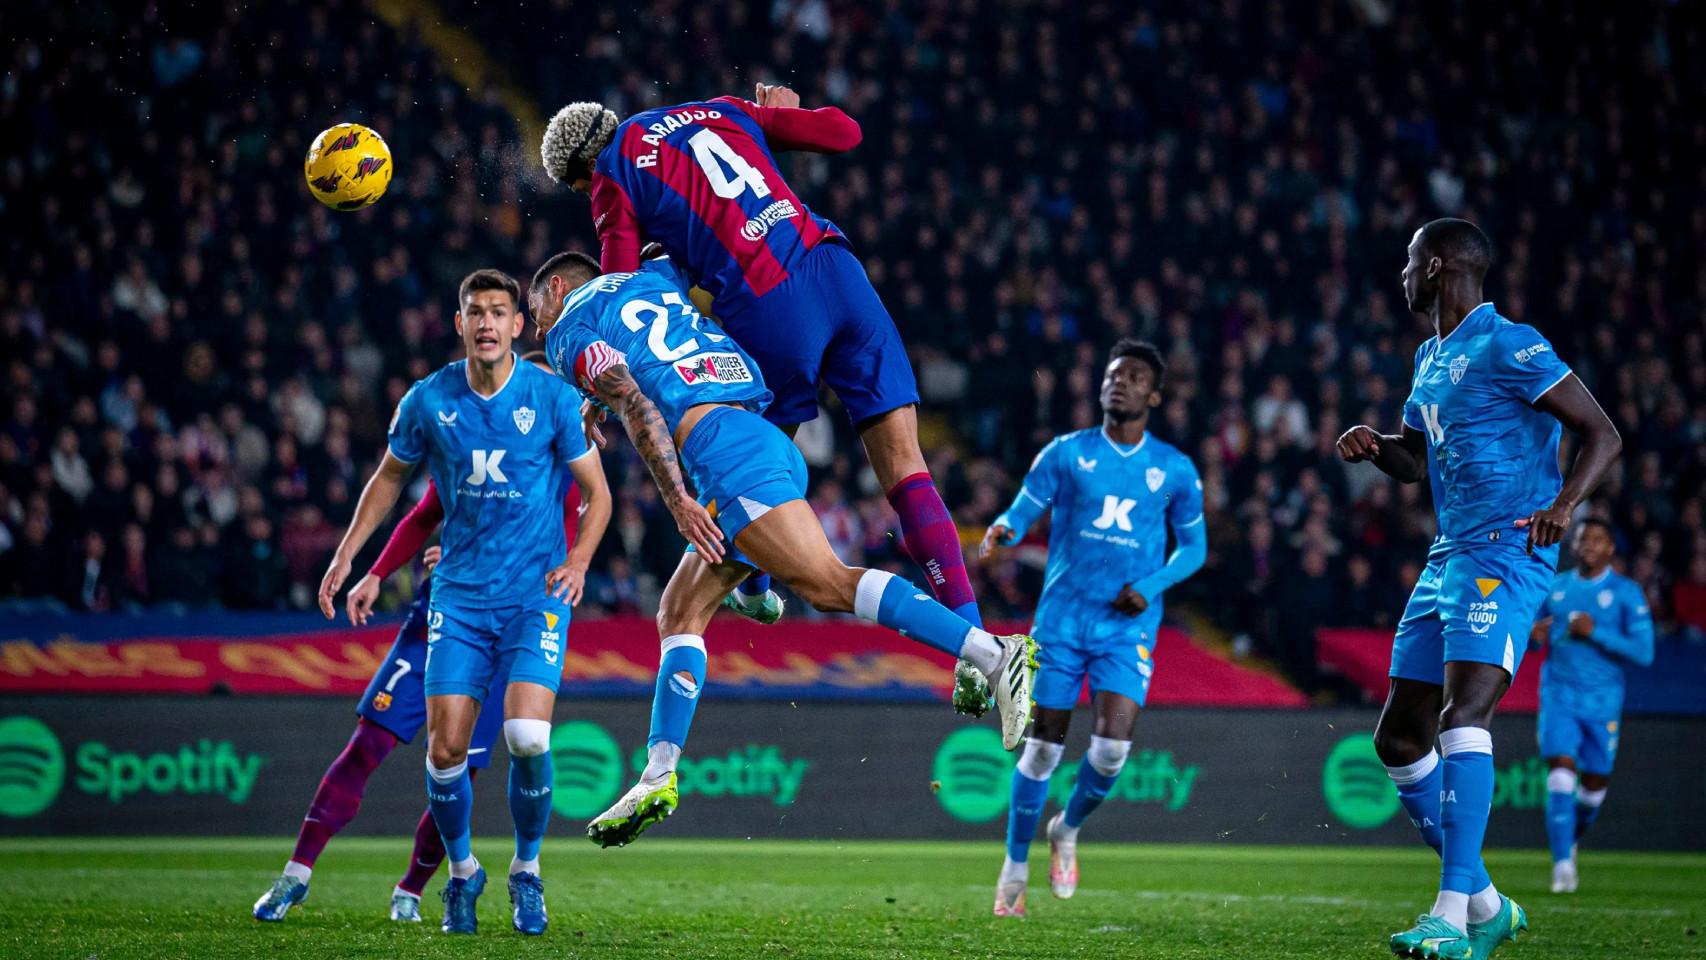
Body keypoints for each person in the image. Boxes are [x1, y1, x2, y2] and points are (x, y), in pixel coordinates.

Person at [527, 250, 1036, 848]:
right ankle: (658, 775)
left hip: (723, 454)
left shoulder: (566, 333)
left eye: (535, 311)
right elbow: (673, 269)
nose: (538, 326)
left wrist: (676, 499)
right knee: (679, 611)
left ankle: (995, 654)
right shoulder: (651, 280)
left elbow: (637, 404)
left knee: (827, 584)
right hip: (763, 432)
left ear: (556, 289)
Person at [538, 84, 987, 684]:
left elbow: (620, 288)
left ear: (582, 170)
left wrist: (596, 392)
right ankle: (977, 645)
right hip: (835, 269)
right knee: (906, 465)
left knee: (746, 454)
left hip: (770, 300)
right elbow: (845, 133)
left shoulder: (612, 172)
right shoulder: (721, 109)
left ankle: (758, 584)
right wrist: (786, 115)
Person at [1337, 218, 1621, 960]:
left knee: (1464, 715)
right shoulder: (1430, 355)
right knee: (1398, 737)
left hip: (1506, 549)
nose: (1401, 273)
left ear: (1435, 267)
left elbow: (1603, 433)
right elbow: (1413, 461)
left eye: (1407, 261)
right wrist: (1378, 447)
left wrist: (1564, 507)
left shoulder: (1509, 342)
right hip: (1448, 555)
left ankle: (1451, 915)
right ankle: (1490, 904)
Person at [317, 269, 612, 936]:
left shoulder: (553, 399)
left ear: (516, 326)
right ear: (460, 324)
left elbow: (600, 495)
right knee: (445, 752)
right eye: (474, 311)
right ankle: (462, 873)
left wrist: (580, 560)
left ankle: (527, 871)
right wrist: (348, 557)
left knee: (527, 736)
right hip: (460, 598)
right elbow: (391, 483)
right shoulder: (428, 401)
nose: (485, 322)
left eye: (498, 312)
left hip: (535, 595)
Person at [977, 339, 1205, 917]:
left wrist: (1148, 587)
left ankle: (1068, 827)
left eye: (1131, 377)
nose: (1118, 383)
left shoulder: (1174, 469)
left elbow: (1194, 549)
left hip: (1125, 629)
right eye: (1111, 375)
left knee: (1109, 751)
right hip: (1060, 625)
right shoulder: (1067, 453)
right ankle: (1013, 868)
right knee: (1040, 755)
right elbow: (1024, 507)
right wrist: (1004, 527)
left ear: (1153, 394)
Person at [1529, 518, 1653, 893]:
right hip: (1559, 696)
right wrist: (1532, 635)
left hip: (1603, 704)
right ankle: (1562, 866)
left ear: (1610, 549)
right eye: (1583, 539)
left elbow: (1644, 653)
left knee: (1594, 787)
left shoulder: (1627, 593)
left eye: (1597, 539)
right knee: (1561, 772)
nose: (1588, 545)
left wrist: (1595, 632)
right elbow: (1532, 634)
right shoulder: (1556, 586)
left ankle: (1570, 837)